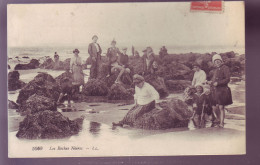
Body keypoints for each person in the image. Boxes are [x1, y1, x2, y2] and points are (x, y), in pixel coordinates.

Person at [207, 54, 233, 128]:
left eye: (218, 60)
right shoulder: (215, 70)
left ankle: (222, 123)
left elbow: (227, 79)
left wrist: (218, 83)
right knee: (214, 107)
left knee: (221, 107)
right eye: (215, 61)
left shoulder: (225, 68)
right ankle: (218, 119)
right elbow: (213, 80)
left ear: (221, 61)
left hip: (223, 90)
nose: (217, 62)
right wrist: (210, 82)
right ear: (214, 62)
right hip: (215, 91)